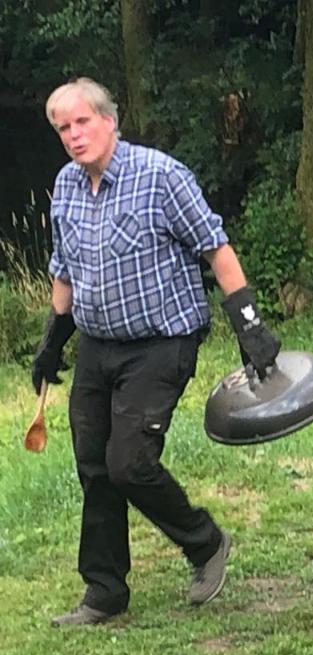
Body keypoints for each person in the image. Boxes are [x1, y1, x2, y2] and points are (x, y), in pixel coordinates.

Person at [31, 77, 281, 626]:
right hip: (98, 345)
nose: (74, 136)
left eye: (82, 122)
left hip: (162, 342)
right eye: (63, 128)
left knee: (130, 463)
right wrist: (53, 341)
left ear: (109, 120)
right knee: (94, 466)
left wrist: (249, 325)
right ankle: (104, 593)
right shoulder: (68, 186)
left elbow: (216, 248)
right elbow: (64, 270)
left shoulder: (162, 177)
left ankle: (205, 543)